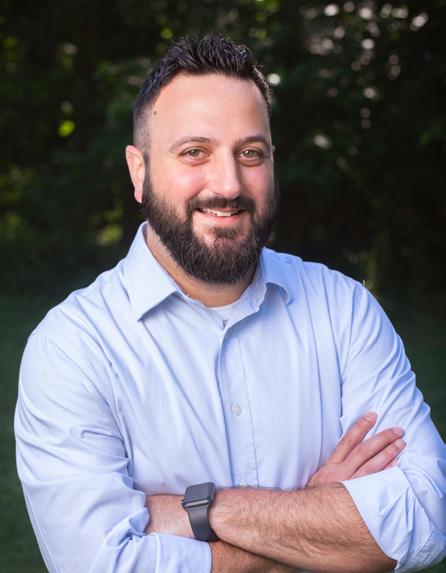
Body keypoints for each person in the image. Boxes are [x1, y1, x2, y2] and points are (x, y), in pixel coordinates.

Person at [15, 34, 445, 573]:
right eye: (195, 152)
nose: (228, 183)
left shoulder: (344, 309)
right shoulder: (72, 349)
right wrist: (319, 530)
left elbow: (427, 515)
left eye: (250, 153)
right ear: (139, 171)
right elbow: (99, 565)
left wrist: (204, 510)